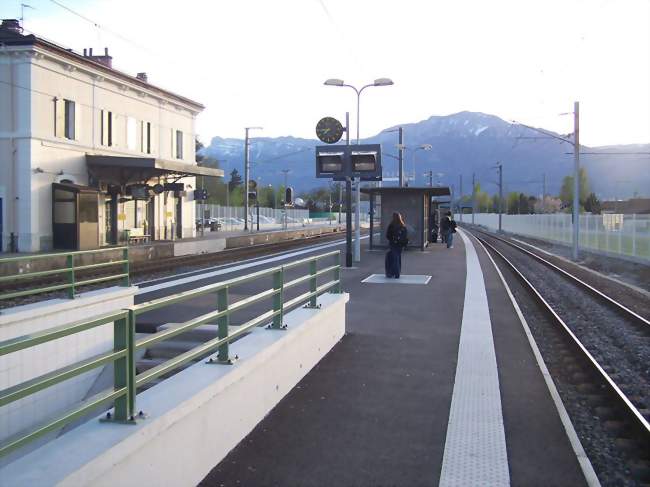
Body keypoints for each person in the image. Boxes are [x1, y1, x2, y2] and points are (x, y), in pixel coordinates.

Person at [385, 212, 408, 278]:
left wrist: (392, 239)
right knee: (398, 257)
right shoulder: (403, 226)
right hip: (400, 245)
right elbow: (405, 236)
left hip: (393, 244)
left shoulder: (391, 226)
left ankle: (393, 273)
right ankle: (397, 273)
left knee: (394, 258)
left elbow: (388, 236)